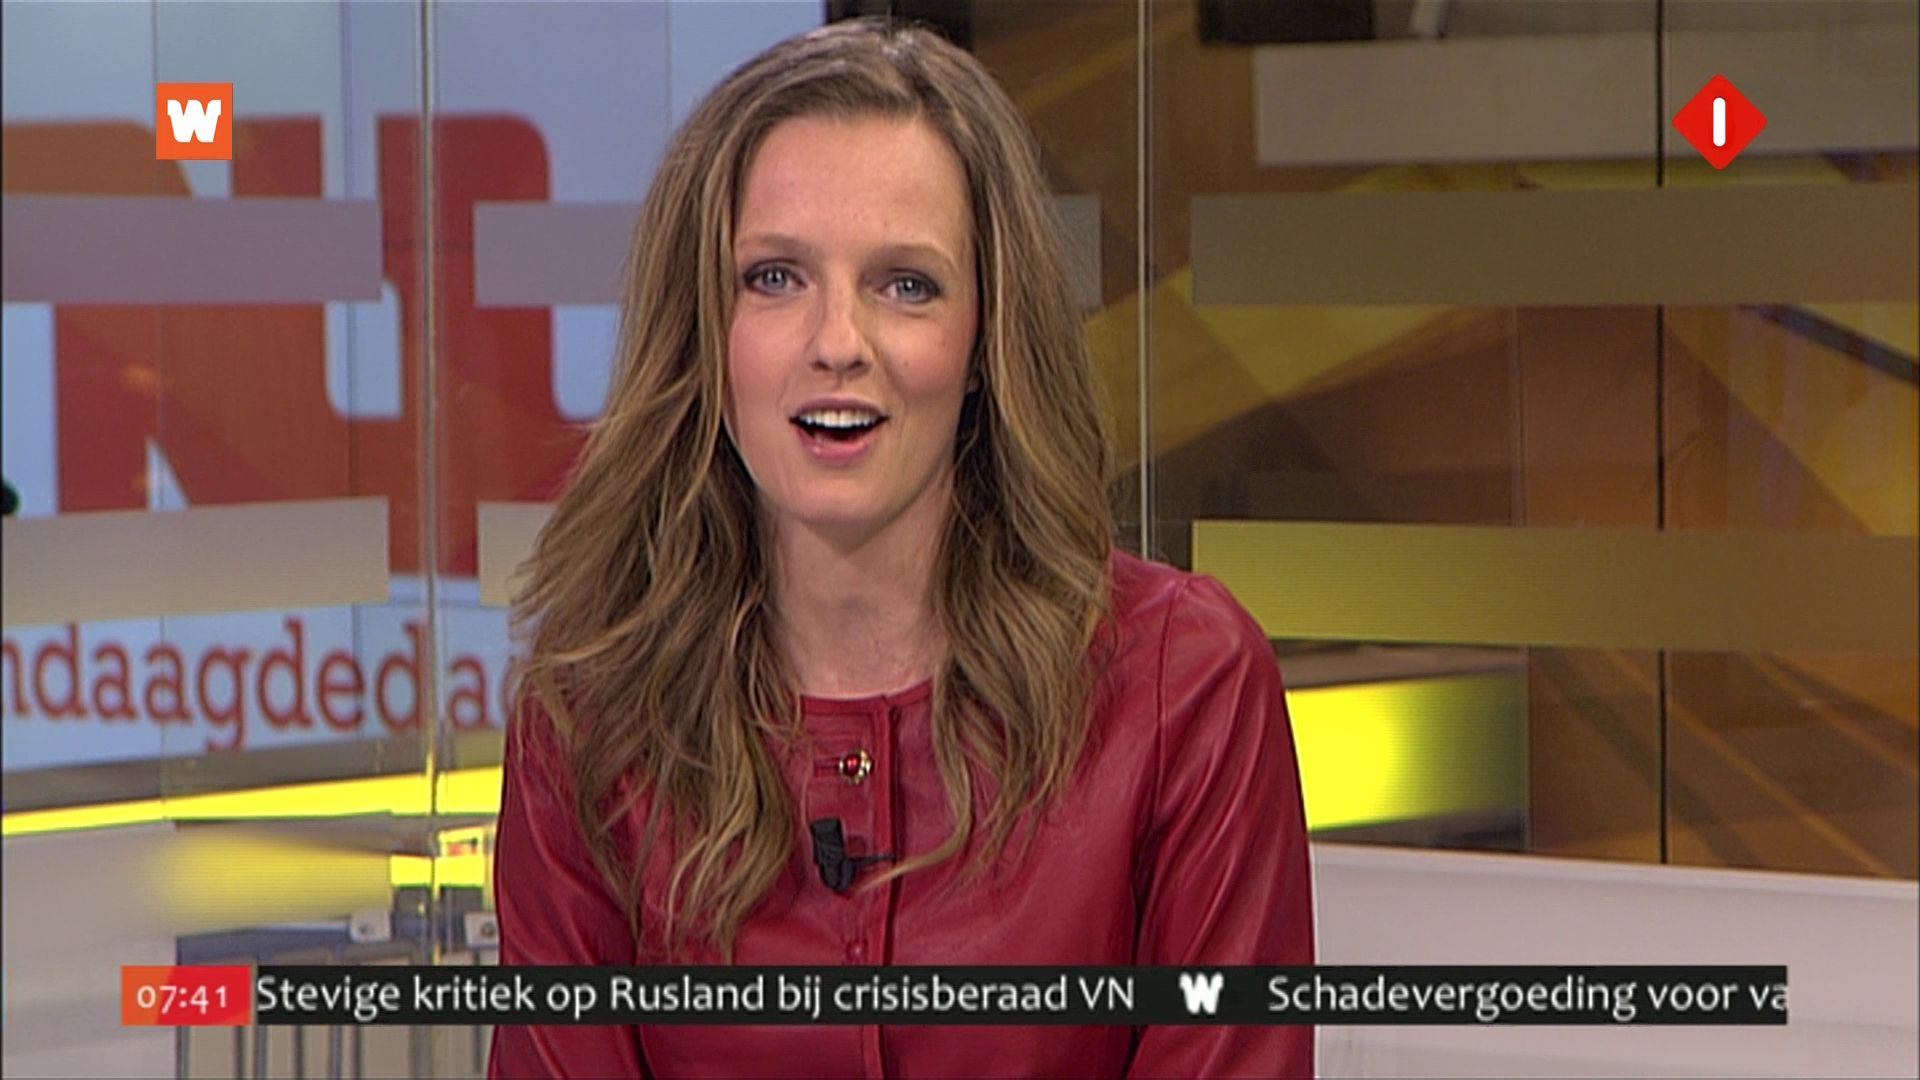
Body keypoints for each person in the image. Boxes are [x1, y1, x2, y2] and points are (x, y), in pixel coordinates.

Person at [489, 17, 1313, 1079]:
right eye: (775, 278)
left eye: (906, 284)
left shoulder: (1179, 687)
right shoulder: (589, 721)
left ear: (985, 340)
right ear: (702, 331)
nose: (838, 342)